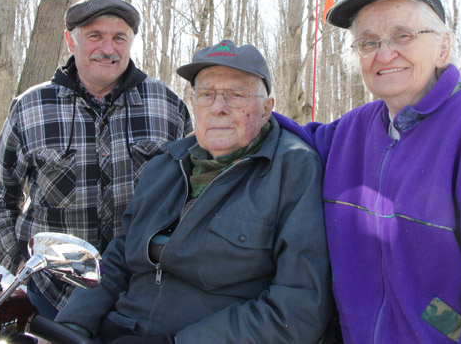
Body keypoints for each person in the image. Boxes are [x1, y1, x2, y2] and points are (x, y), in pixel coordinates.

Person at [274, 0, 461, 343]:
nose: (384, 54)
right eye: (369, 42)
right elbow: (293, 139)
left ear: (442, 48)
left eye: (403, 36)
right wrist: (244, 111)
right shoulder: (354, 131)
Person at [54, 39, 332, 343]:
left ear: (267, 109)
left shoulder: (293, 169)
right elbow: (120, 256)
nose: (218, 108)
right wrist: (74, 323)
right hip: (118, 329)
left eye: (236, 95)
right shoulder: (165, 165)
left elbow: (297, 309)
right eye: (206, 94)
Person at [0, 0, 192, 319]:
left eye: (119, 37)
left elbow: (193, 193)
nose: (108, 48)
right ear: (71, 41)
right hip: (53, 295)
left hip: (141, 295)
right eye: (95, 36)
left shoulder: (167, 106)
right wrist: (20, 263)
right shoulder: (31, 108)